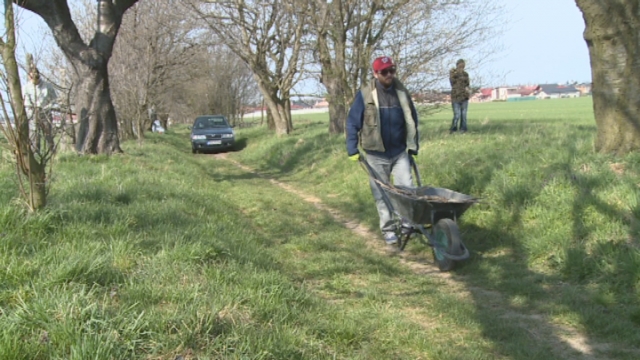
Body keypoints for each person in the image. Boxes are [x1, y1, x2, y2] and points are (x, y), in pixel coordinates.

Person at [346, 56, 419, 245]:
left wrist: (413, 145)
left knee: (407, 190)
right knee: (381, 194)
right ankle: (388, 230)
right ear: (375, 73)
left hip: (399, 152)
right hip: (375, 154)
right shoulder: (365, 94)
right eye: (384, 72)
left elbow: (412, 119)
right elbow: (353, 122)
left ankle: (406, 224)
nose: (389, 75)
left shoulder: (401, 92)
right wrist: (352, 149)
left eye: (392, 70)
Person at [24, 66, 58, 151]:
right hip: (33, 115)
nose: (35, 79)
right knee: (34, 136)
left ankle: (52, 153)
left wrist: (48, 107)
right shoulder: (26, 88)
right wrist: (33, 109)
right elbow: (26, 102)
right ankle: (35, 154)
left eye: (36, 77)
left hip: (46, 114)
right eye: (32, 77)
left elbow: (54, 99)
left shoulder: (47, 86)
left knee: (48, 135)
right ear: (29, 77)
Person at [449, 59, 470, 134]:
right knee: (457, 114)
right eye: (460, 65)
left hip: (464, 97)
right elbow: (452, 82)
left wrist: (468, 93)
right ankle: (453, 129)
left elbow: (467, 84)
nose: (461, 67)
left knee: (463, 115)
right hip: (455, 97)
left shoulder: (465, 74)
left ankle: (463, 129)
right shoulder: (453, 73)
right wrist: (455, 73)